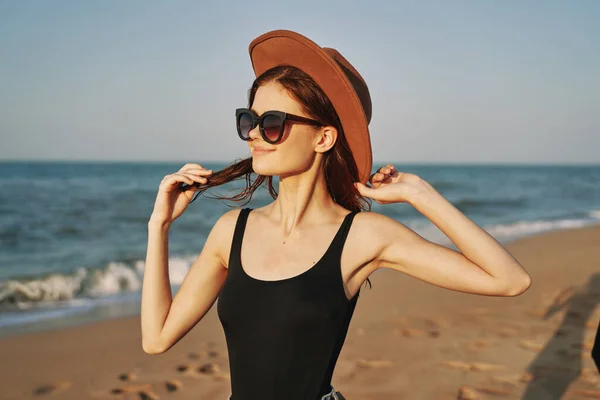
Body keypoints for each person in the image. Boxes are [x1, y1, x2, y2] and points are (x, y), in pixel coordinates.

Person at [140, 30, 532, 400]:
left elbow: (509, 279)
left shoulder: (363, 236)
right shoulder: (231, 231)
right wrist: (159, 226)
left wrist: (420, 194)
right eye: (250, 121)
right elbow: (156, 338)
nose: (255, 134)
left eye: (273, 123)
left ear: (323, 138)